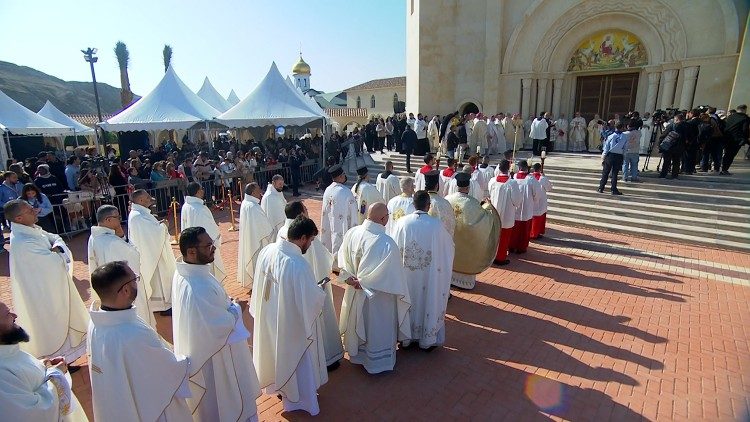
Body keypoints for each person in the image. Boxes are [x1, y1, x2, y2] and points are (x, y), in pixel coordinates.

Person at [173, 227, 261, 421]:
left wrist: (225, 302)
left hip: (205, 348)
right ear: (191, 252)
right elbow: (218, 326)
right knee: (223, 401)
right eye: (208, 246)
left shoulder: (187, 273)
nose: (214, 249)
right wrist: (236, 308)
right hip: (214, 356)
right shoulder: (198, 286)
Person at [87, 262, 192, 422]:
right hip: (149, 408)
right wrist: (187, 360)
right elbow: (167, 370)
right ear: (126, 290)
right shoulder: (132, 334)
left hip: (119, 404)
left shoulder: (96, 323)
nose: (137, 282)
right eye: (135, 279)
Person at [251, 217, 328, 416]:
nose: (310, 245)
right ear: (302, 238)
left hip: (270, 317)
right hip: (290, 325)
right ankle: (298, 399)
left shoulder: (267, 251)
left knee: (276, 355)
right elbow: (310, 301)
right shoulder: (298, 264)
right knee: (295, 359)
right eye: (310, 241)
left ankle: (280, 387)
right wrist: (319, 291)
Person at [5, 199, 89, 362]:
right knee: (53, 324)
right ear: (18, 219)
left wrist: (57, 247)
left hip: (51, 287)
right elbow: (52, 262)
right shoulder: (22, 242)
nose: (36, 211)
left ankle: (67, 359)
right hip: (43, 295)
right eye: (30, 210)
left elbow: (54, 237)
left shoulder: (31, 230)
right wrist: (58, 251)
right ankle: (58, 361)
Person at [338, 203, 411, 373]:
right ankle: (378, 363)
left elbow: (341, 259)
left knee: (359, 321)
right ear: (384, 219)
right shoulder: (387, 243)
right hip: (379, 299)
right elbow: (394, 278)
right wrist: (365, 282)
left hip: (355, 291)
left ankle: (357, 355)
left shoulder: (352, 233)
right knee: (377, 327)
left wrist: (350, 278)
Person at [277, 201, 344, 370]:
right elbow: (323, 259)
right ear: (300, 213)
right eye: (306, 210)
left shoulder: (282, 230)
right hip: (313, 284)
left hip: (294, 286)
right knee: (320, 321)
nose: (307, 212)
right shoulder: (304, 234)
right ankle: (327, 358)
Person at [0, 301, 88, 421]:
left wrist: (42, 366)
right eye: (8, 314)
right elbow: (32, 414)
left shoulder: (7, 351)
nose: (15, 316)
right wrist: (56, 373)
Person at [391, 191, 454, 350]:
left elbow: (392, 247)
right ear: (428, 205)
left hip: (406, 276)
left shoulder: (401, 223)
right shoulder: (436, 225)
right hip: (429, 277)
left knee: (407, 300)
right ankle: (426, 340)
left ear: (413, 204)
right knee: (428, 300)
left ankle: (405, 339)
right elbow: (448, 249)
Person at [88, 205, 155, 328]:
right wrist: (122, 237)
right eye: (117, 217)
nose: (120, 220)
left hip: (109, 288)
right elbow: (135, 255)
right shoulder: (112, 242)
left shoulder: (94, 237)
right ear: (108, 220)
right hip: (123, 288)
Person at [444, 173, 501, 289]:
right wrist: (488, 206)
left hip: (451, 238)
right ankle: (464, 284)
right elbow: (484, 219)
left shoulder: (447, 199)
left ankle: (450, 279)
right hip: (466, 240)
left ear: (457, 186)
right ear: (468, 187)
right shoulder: (472, 203)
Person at [127, 189, 175, 315]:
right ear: (141, 200)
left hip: (154, 251)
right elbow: (152, 236)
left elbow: (150, 230)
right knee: (158, 280)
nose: (151, 198)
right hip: (152, 254)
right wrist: (163, 226)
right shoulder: (137, 217)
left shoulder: (140, 213)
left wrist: (158, 225)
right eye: (148, 197)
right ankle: (162, 306)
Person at [181, 182, 226, 281]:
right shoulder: (201, 208)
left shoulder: (186, 206)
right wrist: (216, 240)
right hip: (204, 246)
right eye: (202, 189)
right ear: (198, 192)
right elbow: (210, 228)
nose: (203, 191)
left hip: (192, 245)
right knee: (209, 272)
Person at [237, 182, 275, 290]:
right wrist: (271, 232)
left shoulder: (246, 203)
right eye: (258, 190)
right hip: (257, 240)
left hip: (252, 237)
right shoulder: (253, 206)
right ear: (253, 192)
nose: (260, 192)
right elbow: (265, 227)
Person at [320, 165, 358, 268]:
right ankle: (340, 264)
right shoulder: (345, 191)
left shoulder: (328, 189)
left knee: (331, 238)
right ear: (341, 176)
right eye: (344, 175)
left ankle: (331, 262)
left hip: (330, 222)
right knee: (341, 241)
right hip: (342, 224)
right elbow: (353, 211)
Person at [488, 160, 521, 265]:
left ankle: (491, 257)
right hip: (507, 214)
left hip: (494, 213)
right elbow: (517, 200)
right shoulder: (512, 183)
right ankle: (500, 258)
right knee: (504, 238)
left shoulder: (492, 181)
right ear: (508, 169)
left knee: (494, 237)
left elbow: (490, 193)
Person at [510, 161, 540, 254]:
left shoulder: (513, 177)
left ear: (519, 168)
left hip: (514, 209)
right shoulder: (531, 179)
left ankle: (511, 246)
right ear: (527, 168)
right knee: (524, 230)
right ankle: (521, 248)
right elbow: (537, 194)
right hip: (526, 209)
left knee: (513, 229)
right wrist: (533, 201)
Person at [424, 170, 456, 236]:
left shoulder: (419, 201)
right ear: (437, 185)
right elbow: (450, 225)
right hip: (439, 240)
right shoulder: (445, 203)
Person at [598, 122, 627, 194]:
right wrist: (624, 156)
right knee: (614, 173)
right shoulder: (624, 137)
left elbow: (606, 148)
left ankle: (601, 188)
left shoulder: (611, 136)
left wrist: (603, 157)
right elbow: (625, 148)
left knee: (605, 172)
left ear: (616, 127)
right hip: (619, 155)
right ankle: (613, 189)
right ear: (622, 128)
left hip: (610, 155)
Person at [721, 104, 750, 175]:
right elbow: (745, 130)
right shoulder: (745, 118)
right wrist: (746, 139)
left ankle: (723, 168)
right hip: (737, 140)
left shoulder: (730, 116)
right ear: (744, 109)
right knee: (731, 155)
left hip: (727, 138)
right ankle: (725, 169)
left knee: (727, 154)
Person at [658, 114, 688, 180]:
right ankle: (674, 175)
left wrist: (660, 144)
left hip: (669, 147)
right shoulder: (686, 127)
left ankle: (663, 175)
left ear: (676, 119)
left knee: (666, 162)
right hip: (679, 147)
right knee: (676, 162)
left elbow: (663, 135)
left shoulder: (671, 126)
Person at [530, 163, 552, 239]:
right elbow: (549, 188)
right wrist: (545, 176)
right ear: (540, 169)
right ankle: (536, 233)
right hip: (541, 201)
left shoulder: (530, 177)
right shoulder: (542, 178)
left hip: (532, 200)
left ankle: (531, 233)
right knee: (539, 217)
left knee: (532, 217)